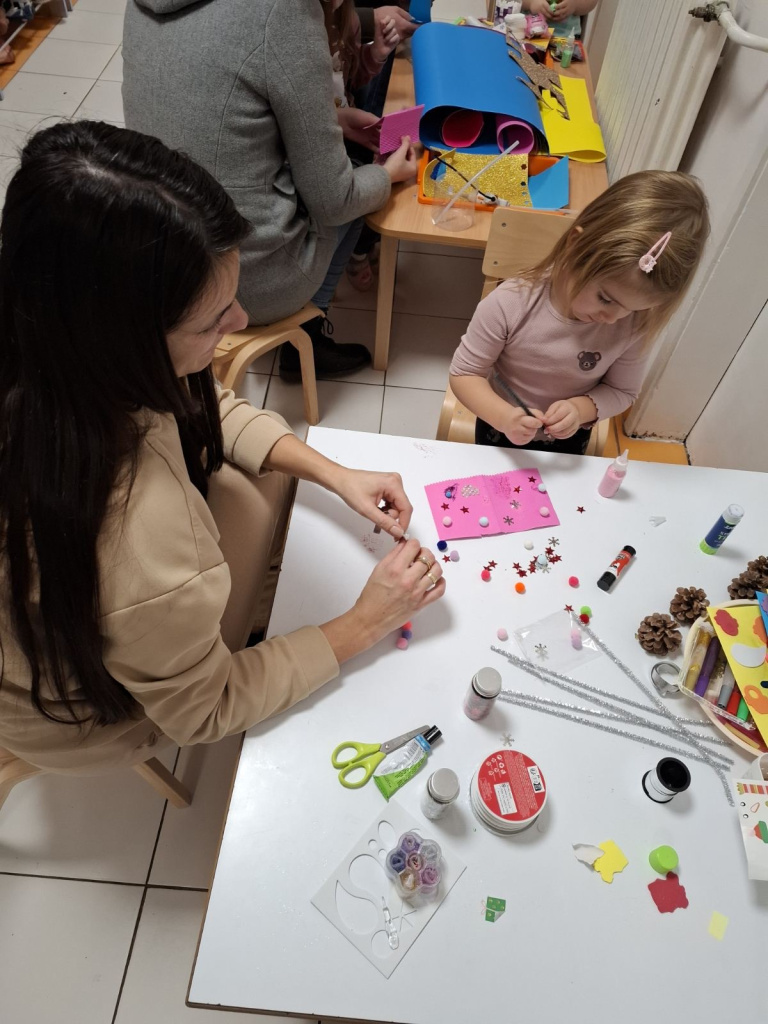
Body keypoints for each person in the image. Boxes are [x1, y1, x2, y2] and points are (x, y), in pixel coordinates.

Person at [0, 121, 444, 774]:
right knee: (256, 503)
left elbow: (204, 402)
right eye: (213, 320)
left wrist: (334, 472)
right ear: (124, 342)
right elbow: (205, 710)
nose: (240, 324)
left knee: (261, 486)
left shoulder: (51, 332)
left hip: (75, 624)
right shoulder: (145, 544)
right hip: (81, 719)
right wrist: (366, 621)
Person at [122, 0, 418, 383]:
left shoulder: (140, 5)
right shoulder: (284, 11)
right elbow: (334, 200)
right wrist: (387, 176)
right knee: (362, 184)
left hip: (161, 262)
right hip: (237, 283)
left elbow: (212, 105)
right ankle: (308, 337)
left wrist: (330, 119)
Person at [449, 171, 710, 454]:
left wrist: (579, 409)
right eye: (605, 299)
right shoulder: (510, 304)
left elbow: (622, 392)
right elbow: (465, 374)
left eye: (634, 308)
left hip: (571, 437)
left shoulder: (633, 324)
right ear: (575, 245)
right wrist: (504, 417)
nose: (614, 318)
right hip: (500, 428)